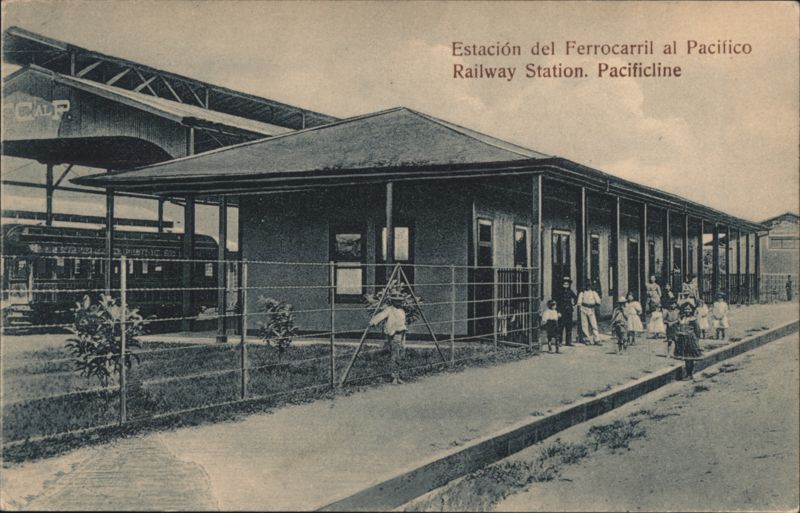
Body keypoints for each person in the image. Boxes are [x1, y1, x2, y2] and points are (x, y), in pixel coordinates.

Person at [369, 292, 408, 384]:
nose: (399, 303)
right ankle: (394, 376)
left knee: (401, 354)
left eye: (400, 301)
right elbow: (381, 315)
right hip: (394, 334)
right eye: (397, 301)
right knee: (395, 355)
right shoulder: (389, 310)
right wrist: (373, 322)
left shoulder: (402, 310)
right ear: (393, 301)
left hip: (402, 334)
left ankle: (398, 375)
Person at [674, 302, 703, 379]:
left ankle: (690, 374)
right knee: (686, 359)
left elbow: (697, 330)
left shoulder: (693, 319)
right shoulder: (682, 318)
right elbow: (678, 327)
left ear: (691, 310)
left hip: (690, 340)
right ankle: (688, 373)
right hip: (682, 339)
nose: (687, 311)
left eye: (689, 309)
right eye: (686, 309)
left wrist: (695, 340)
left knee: (690, 358)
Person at [555, 276, 578, 346]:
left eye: (567, 284)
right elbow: (556, 302)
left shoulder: (570, 291)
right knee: (560, 326)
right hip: (562, 311)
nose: (566, 285)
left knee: (569, 326)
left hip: (569, 311)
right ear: (562, 284)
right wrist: (558, 311)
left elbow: (575, 297)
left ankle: (568, 342)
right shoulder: (559, 292)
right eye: (564, 284)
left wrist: (574, 302)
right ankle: (559, 341)